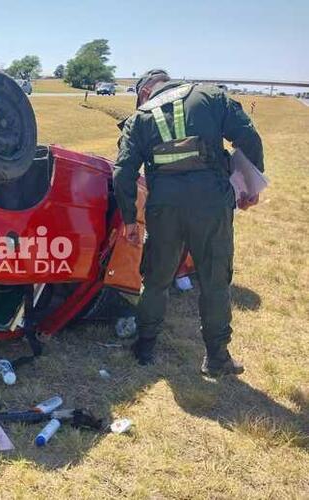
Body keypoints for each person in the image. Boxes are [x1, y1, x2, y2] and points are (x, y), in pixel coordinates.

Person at [113, 69, 264, 377]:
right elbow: (248, 137)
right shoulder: (210, 96)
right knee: (214, 280)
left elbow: (122, 172)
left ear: (144, 93)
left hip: (163, 208)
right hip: (211, 205)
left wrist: (129, 220)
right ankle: (217, 357)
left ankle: (144, 346)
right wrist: (251, 186)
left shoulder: (140, 118)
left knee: (155, 279)